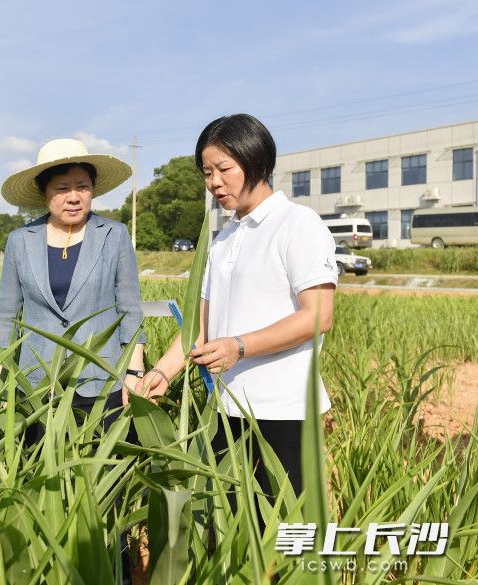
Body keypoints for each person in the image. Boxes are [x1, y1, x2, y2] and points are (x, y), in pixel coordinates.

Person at [136, 113, 337, 507]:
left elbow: (318, 316)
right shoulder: (225, 238)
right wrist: (162, 371)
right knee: (231, 524)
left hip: (284, 411)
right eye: (207, 172)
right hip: (227, 410)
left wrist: (239, 346)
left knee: (281, 529)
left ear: (256, 160)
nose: (214, 182)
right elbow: (201, 325)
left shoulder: (297, 224)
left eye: (223, 169)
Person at [0, 138, 146, 430]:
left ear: (93, 189)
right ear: (43, 192)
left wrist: (135, 371)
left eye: (82, 186)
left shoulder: (114, 235)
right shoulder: (21, 240)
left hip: (100, 382)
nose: (74, 197)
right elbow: (6, 314)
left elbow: (130, 310)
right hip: (36, 384)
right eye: (62, 188)